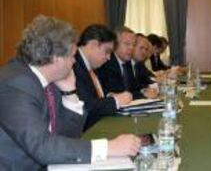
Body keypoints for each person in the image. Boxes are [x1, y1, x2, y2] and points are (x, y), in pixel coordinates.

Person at [0, 15, 140, 170]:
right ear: (56, 57)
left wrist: (69, 94)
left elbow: (69, 137)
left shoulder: (49, 80)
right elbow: (43, 147)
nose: (74, 61)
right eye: (73, 55)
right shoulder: (15, 84)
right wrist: (108, 148)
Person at [74, 24, 133, 129]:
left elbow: (94, 95)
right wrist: (116, 101)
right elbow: (85, 106)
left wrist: (109, 95)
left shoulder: (91, 66)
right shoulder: (73, 64)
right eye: (107, 51)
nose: (109, 58)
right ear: (93, 45)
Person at [97, 27, 157, 99]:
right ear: (115, 44)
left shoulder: (127, 63)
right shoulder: (107, 63)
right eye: (127, 44)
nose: (131, 48)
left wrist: (144, 90)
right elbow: (118, 92)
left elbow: (134, 88)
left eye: (133, 44)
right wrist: (142, 94)